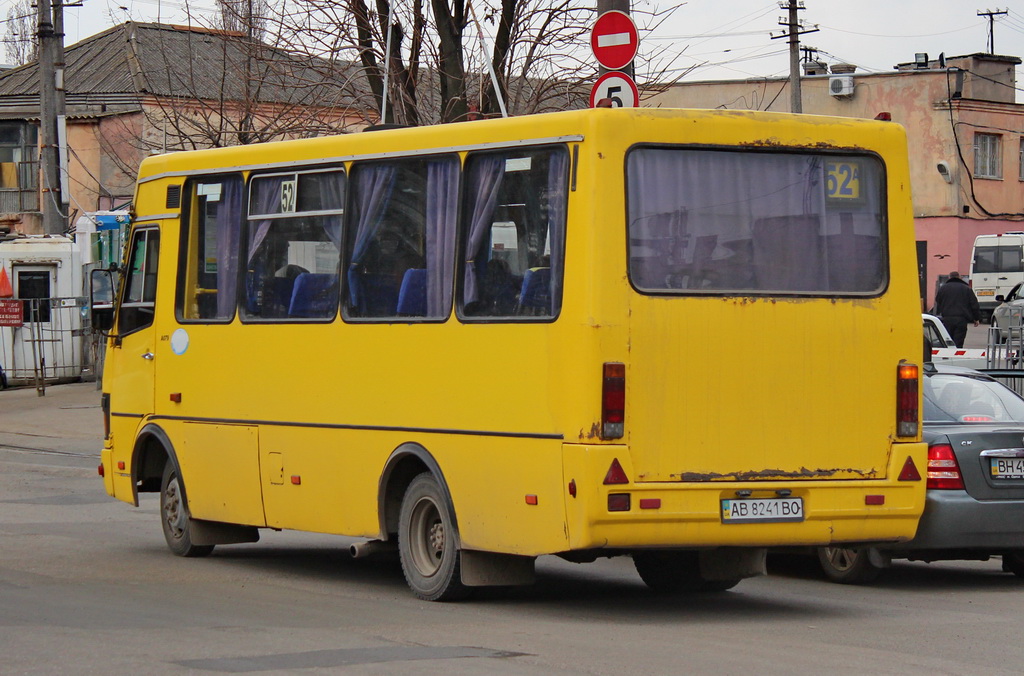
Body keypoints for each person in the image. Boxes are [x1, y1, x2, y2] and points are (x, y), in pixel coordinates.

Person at [934, 271, 981, 348]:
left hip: (947, 319)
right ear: (959, 277)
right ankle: (957, 355)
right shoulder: (966, 289)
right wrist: (976, 318)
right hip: (961, 319)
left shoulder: (943, 288)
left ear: (949, 277)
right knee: (958, 342)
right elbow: (974, 304)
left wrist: (938, 315)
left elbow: (938, 302)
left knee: (948, 342)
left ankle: (948, 356)